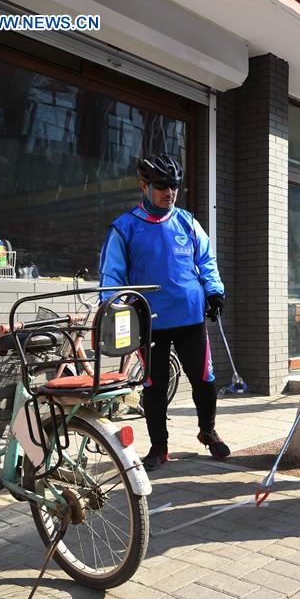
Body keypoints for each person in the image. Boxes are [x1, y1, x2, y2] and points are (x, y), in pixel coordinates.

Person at [100, 154, 229, 471]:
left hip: (191, 317)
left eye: (173, 186)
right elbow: (111, 278)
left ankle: (208, 430)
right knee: (154, 387)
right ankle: (159, 448)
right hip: (150, 322)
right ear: (144, 186)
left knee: (204, 380)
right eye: (161, 186)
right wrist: (117, 309)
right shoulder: (125, 227)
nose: (169, 192)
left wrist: (214, 291)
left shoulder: (187, 222)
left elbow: (207, 261)